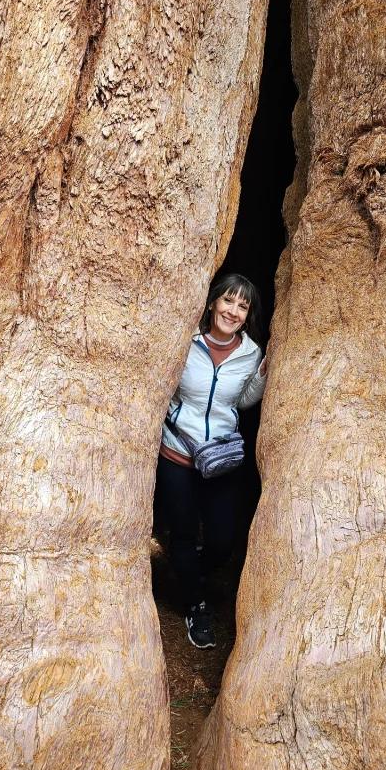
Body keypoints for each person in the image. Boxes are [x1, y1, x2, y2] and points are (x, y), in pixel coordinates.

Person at [156, 273, 267, 648]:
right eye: (228, 301)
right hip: (177, 453)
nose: (233, 311)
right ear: (212, 303)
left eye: (242, 306)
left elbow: (243, 401)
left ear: (247, 315)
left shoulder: (250, 353)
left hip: (220, 457)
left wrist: (261, 377)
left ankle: (191, 568)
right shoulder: (185, 342)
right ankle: (195, 605)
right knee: (183, 534)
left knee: (221, 543)